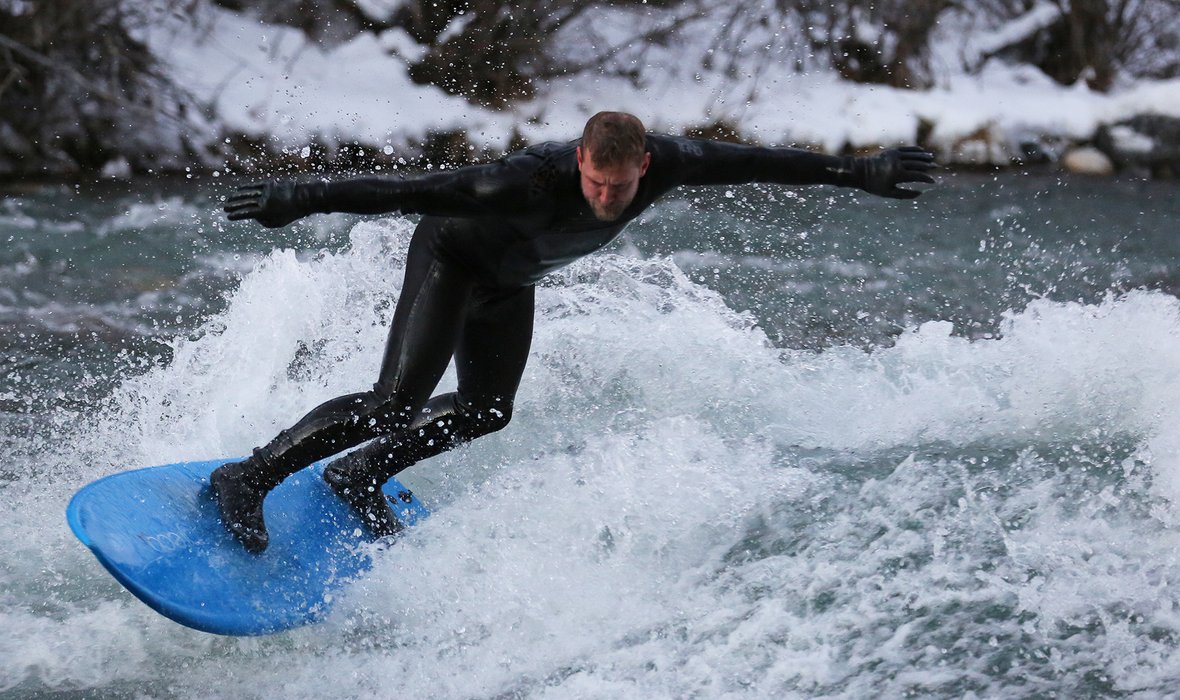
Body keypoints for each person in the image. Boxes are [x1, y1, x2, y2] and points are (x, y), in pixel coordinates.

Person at [213, 111, 936, 553]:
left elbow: (760, 162)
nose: (604, 198)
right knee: (393, 404)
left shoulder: (672, 164)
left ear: (642, 167)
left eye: (618, 188)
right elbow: (408, 190)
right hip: (453, 260)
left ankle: (356, 476)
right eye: (594, 182)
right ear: (581, 161)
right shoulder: (522, 179)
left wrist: (858, 172)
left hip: (510, 284)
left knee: (487, 412)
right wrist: (298, 198)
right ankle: (247, 477)